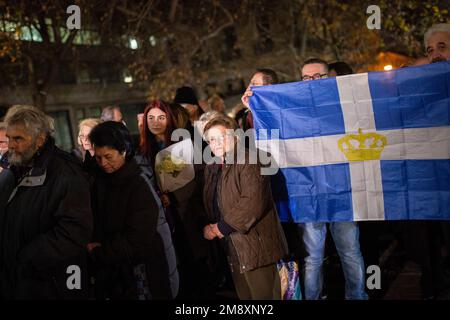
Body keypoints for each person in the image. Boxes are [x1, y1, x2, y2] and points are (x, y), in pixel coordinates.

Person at [0, 105, 93, 299]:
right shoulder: (14, 169)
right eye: (9, 138)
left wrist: (26, 258)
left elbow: (74, 231)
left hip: (51, 283)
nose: (11, 145)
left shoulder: (66, 173)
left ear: (40, 140)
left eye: (18, 139)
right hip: (17, 281)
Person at [299, 58, 368, 300]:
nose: (311, 82)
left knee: (349, 251)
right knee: (313, 257)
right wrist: (254, 104)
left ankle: (357, 296)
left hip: (343, 191)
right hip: (311, 193)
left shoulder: (346, 104)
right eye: (306, 78)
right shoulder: (295, 108)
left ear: (329, 77)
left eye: (317, 77)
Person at [87, 121, 178, 299]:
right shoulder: (102, 180)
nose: (103, 163)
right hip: (119, 271)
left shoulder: (138, 185)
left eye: (108, 157)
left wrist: (100, 253)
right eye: (98, 158)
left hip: (144, 272)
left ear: (124, 151)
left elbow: (138, 238)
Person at [202, 116, 288, 300]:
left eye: (222, 137)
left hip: (256, 247)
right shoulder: (214, 167)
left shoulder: (250, 160)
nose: (216, 143)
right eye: (211, 140)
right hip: (234, 248)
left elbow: (252, 203)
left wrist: (219, 228)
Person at [138, 100, 213, 299]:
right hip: (159, 217)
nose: (155, 122)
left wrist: (172, 196)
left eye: (161, 117)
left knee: (194, 268)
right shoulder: (144, 148)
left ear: (169, 119)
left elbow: (195, 178)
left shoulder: (181, 143)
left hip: (185, 213)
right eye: (151, 118)